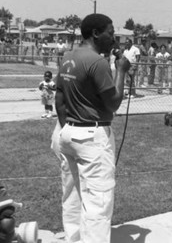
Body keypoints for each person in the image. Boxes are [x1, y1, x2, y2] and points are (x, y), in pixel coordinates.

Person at [54, 13, 130, 243]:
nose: (113, 37)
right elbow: (113, 102)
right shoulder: (97, 62)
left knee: (72, 194)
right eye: (110, 32)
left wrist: (68, 126)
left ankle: (73, 238)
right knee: (99, 200)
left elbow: (59, 97)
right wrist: (122, 70)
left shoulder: (68, 57)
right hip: (92, 136)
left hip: (68, 133)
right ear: (96, 34)